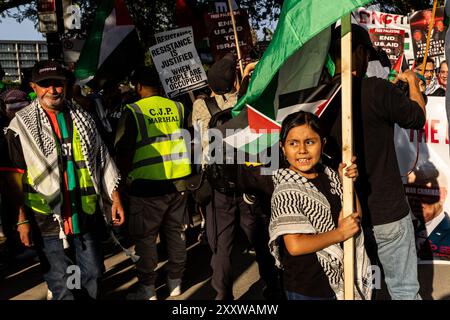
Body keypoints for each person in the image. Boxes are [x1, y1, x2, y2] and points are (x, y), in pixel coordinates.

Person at [3, 60, 125, 300]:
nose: (53, 90)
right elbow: (13, 179)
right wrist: (21, 221)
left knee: (93, 273)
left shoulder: (84, 118)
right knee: (62, 284)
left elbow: (102, 159)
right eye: (45, 84)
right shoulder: (19, 127)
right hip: (46, 218)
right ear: (34, 87)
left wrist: (115, 197)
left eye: (58, 84)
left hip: (85, 213)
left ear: (66, 85)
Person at [323, 24, 426, 300]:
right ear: (358, 52)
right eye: (366, 54)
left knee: (359, 291)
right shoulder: (377, 89)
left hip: (343, 216)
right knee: (403, 291)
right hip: (386, 213)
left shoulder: (319, 100)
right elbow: (417, 117)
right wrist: (414, 83)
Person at [192, 53, 280, 300]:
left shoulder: (200, 107)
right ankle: (273, 285)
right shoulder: (245, 102)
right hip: (248, 180)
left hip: (219, 185)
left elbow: (200, 146)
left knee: (222, 244)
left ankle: (223, 294)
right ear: (233, 81)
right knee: (259, 237)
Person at [269, 111, 372, 300]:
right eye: (293, 143)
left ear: (322, 144)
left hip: (340, 278)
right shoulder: (286, 189)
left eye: (310, 142)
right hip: (308, 288)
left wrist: (346, 183)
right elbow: (295, 245)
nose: (302, 150)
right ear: (283, 148)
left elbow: (356, 217)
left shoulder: (329, 175)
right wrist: (340, 234)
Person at [115, 65, 191, 300]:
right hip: (178, 183)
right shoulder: (178, 107)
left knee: (146, 238)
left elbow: (122, 151)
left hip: (146, 186)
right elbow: (191, 140)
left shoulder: (134, 110)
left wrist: (125, 180)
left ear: (138, 86)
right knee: (176, 233)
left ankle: (148, 288)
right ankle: (175, 282)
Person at [406, 163, 450, 261]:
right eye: (411, 192)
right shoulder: (401, 231)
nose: (416, 200)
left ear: (442, 195)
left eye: (424, 192)